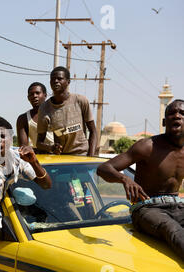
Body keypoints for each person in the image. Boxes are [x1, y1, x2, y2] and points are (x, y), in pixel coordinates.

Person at [96, 99, 184, 260]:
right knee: (171, 228)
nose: (177, 116)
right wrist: (125, 179)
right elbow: (103, 169)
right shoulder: (148, 146)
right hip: (147, 208)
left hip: (177, 205)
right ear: (164, 122)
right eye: (171, 113)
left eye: (182, 113)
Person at [36, 66, 97, 156]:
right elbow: (39, 143)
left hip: (82, 155)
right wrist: (51, 148)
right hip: (62, 158)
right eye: (53, 79)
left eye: (60, 79)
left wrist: (90, 158)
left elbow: (93, 132)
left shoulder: (80, 100)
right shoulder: (44, 108)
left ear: (68, 82)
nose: (56, 81)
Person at [16, 82, 54, 148]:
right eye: (31, 94)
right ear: (28, 98)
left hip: (61, 156)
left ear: (45, 95)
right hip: (40, 156)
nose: (34, 96)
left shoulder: (55, 113)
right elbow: (23, 147)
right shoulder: (23, 119)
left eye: (37, 93)